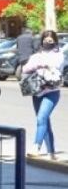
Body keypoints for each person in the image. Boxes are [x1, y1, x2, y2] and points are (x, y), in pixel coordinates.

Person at [22, 30, 64, 159]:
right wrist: (39, 64)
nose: (48, 41)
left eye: (51, 39)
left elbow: (57, 66)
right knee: (44, 121)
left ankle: (36, 146)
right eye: (46, 39)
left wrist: (41, 65)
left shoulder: (59, 54)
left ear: (55, 40)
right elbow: (25, 68)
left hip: (52, 92)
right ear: (42, 41)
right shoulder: (36, 55)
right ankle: (51, 152)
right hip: (37, 92)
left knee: (41, 118)